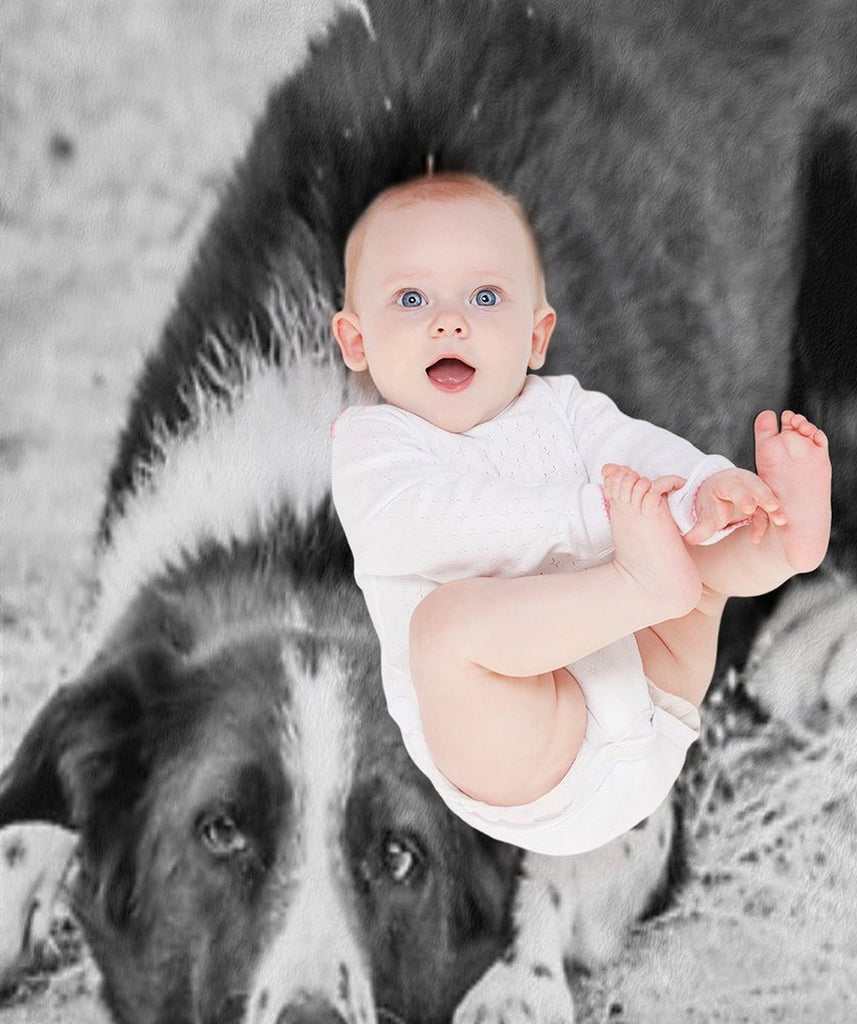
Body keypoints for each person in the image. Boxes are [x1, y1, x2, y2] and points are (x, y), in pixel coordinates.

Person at [330, 172, 831, 855]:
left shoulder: (560, 407)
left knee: (697, 558)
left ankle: (779, 543)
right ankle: (647, 583)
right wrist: (594, 516)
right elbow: (439, 525)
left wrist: (703, 488)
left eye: (485, 296)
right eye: (411, 298)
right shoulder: (373, 446)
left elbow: (636, 451)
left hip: (653, 693)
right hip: (531, 751)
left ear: (536, 338)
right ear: (356, 342)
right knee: (443, 630)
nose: (451, 321)